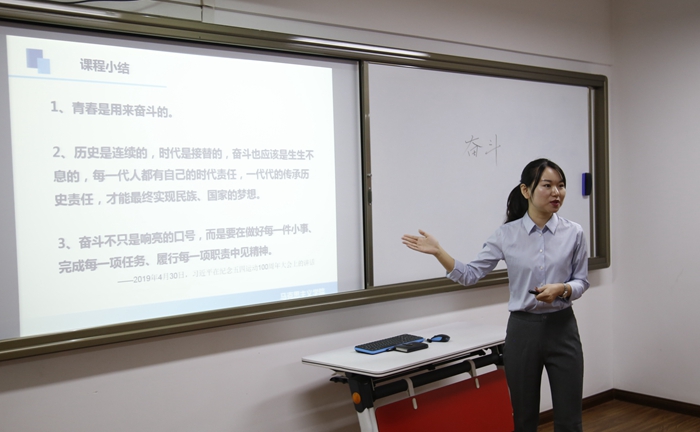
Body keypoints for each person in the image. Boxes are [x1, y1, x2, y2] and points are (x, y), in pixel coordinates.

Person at [402, 158, 589, 432]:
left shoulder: (574, 232)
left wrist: (562, 289)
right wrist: (439, 252)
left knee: (570, 420)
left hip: (563, 329)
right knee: (524, 418)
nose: (556, 193)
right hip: (523, 331)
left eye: (561, 186)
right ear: (526, 190)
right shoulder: (506, 235)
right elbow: (469, 275)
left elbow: (581, 281)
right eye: (547, 185)